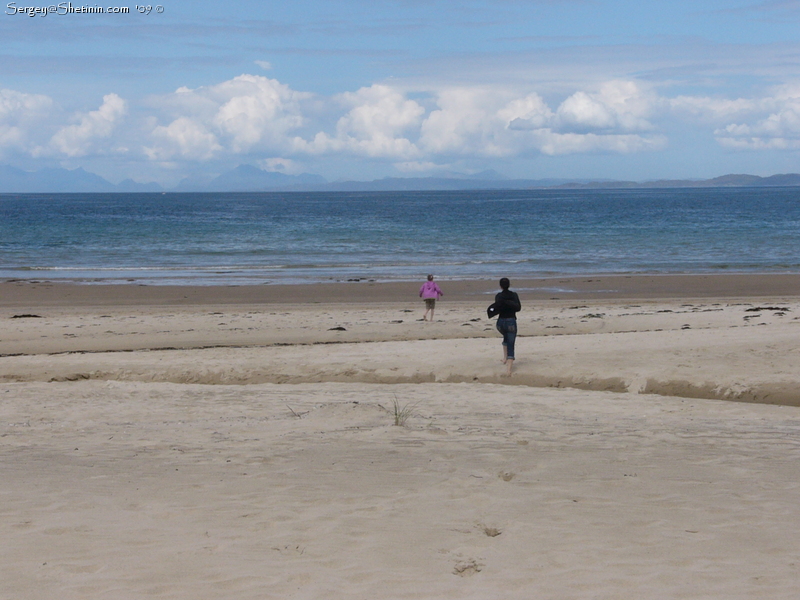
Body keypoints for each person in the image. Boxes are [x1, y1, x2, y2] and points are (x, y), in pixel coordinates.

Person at [494, 277, 521, 375]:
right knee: (511, 343)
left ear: (500, 286)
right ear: (509, 285)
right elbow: (518, 308)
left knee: (506, 337)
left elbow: (496, 308)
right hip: (511, 321)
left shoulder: (498, 296)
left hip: (500, 322)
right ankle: (509, 370)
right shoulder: (514, 295)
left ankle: (505, 358)